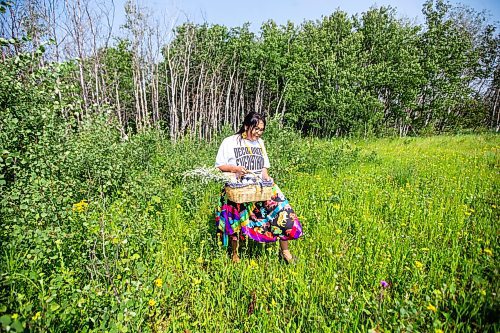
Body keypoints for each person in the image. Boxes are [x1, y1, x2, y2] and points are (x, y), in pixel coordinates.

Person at [215, 112, 303, 264]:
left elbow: (263, 169)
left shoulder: (260, 143)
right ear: (246, 126)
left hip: (260, 188)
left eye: (261, 129)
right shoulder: (230, 142)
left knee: (282, 213)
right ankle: (234, 255)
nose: (259, 133)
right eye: (256, 129)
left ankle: (285, 253)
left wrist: (267, 178)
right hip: (239, 189)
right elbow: (219, 166)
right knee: (235, 222)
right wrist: (235, 169)